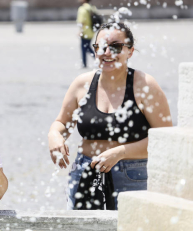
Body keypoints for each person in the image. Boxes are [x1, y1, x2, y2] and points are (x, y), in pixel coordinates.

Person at [48, 22, 172, 210]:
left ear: (130, 51)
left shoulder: (145, 85)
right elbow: (61, 123)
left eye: (115, 46)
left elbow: (165, 140)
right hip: (85, 171)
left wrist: (120, 152)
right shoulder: (82, 83)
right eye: (101, 46)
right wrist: (54, 135)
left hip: (132, 176)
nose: (107, 52)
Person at [77, 0, 96, 68]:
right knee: (87, 46)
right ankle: (96, 59)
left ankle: (84, 63)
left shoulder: (82, 9)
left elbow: (82, 21)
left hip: (85, 31)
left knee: (84, 47)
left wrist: (80, 31)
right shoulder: (92, 7)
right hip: (91, 30)